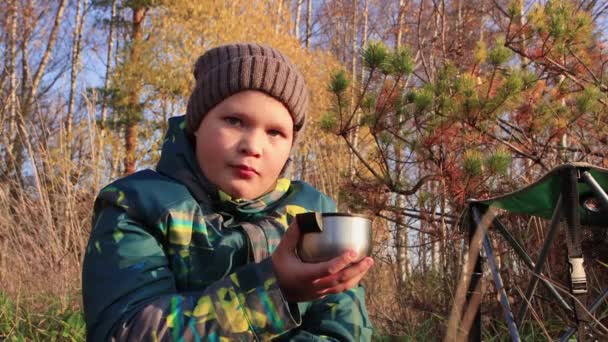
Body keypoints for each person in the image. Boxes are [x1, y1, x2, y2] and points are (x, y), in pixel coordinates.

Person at [82, 42, 374, 341]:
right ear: (196, 124)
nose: (253, 146)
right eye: (234, 121)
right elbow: (124, 330)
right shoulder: (136, 205)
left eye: (275, 132)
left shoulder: (313, 215)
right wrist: (274, 290)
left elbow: (342, 334)